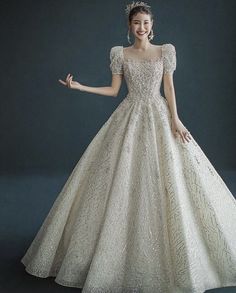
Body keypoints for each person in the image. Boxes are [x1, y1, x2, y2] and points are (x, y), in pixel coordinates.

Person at [21, 1, 236, 292]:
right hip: (129, 115)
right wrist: (80, 87)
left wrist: (176, 119)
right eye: (137, 23)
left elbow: (169, 88)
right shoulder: (119, 54)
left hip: (159, 116)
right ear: (129, 27)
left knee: (170, 179)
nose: (142, 28)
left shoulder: (165, 51)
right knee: (119, 180)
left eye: (146, 23)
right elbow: (113, 91)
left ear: (152, 25)